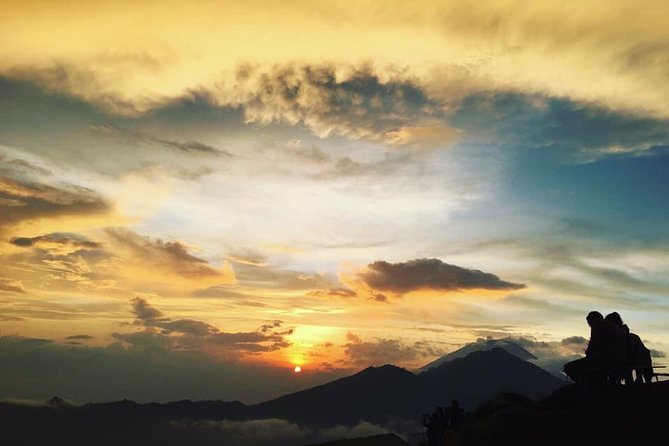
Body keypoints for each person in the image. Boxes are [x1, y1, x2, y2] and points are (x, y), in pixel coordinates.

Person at [563, 311, 628, 385]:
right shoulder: (615, 327)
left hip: (606, 360)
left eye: (589, 323)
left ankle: (584, 386)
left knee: (569, 367)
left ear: (592, 319)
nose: (590, 326)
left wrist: (589, 353)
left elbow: (593, 343)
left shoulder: (598, 324)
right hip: (619, 361)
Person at [605, 312, 653, 383]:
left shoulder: (629, 338)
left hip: (634, 366)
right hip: (631, 366)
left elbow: (642, 356)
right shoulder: (630, 337)